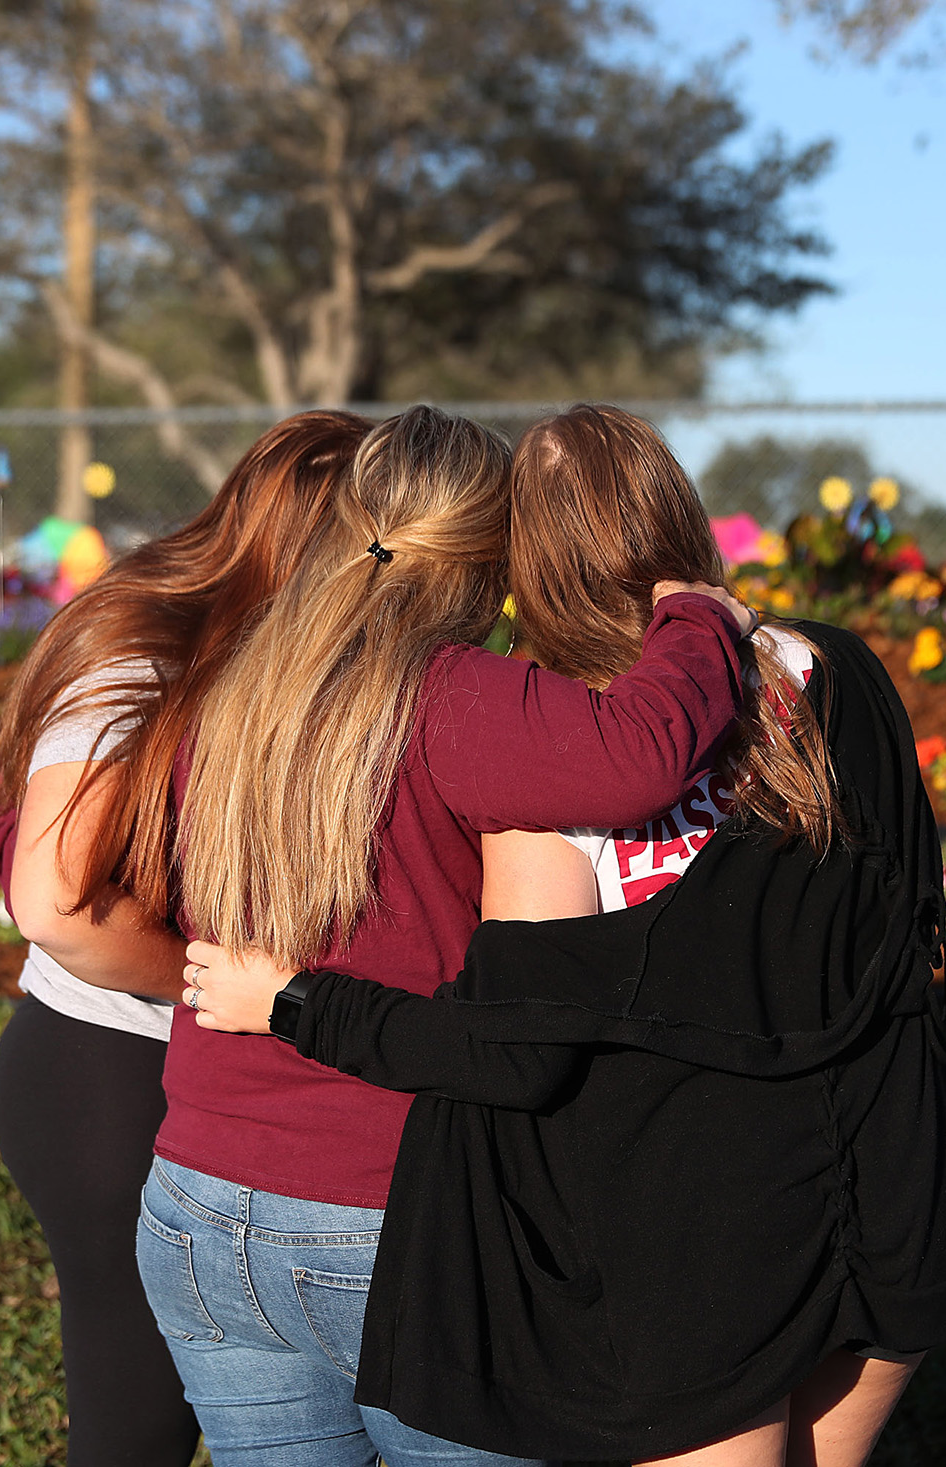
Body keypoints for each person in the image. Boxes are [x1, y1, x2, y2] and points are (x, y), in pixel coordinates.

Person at [182, 404, 946, 1467]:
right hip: (892, 1186)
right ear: (680, 516)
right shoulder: (837, 677)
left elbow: (517, 1053)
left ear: (521, 561)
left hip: (699, 1246)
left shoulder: (552, 770)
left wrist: (292, 1000)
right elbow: (906, 915)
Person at [135, 406, 756, 1467]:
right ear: (491, 555)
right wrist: (698, 619)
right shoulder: (461, 697)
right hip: (387, 1215)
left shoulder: (233, 685)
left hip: (194, 1203)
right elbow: (644, 753)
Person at [0, 410, 373, 1467]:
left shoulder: (265, 654)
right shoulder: (144, 649)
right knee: (135, 1429)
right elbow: (54, 900)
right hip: (105, 1069)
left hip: (178, 1070)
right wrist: (209, 982)